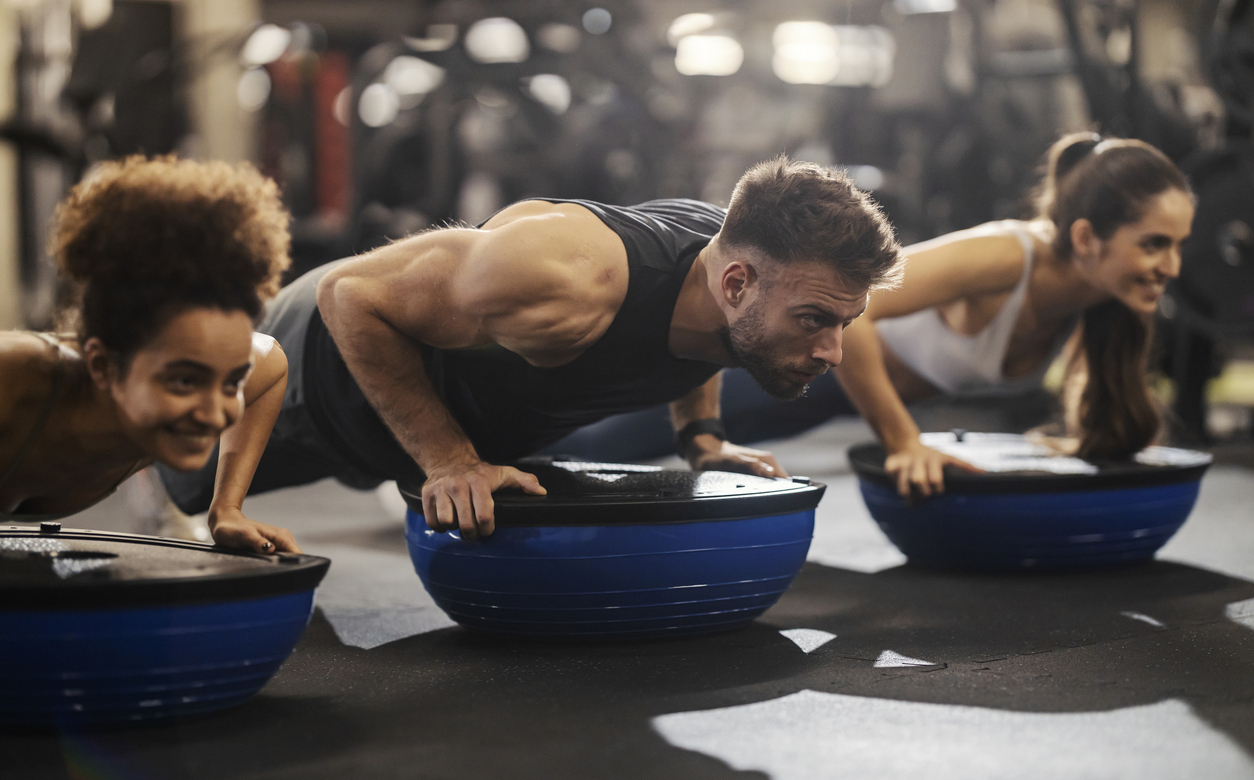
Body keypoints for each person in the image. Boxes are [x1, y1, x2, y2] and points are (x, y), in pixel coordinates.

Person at [161, 157, 904, 540]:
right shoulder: (565, 280)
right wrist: (448, 460)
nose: (835, 350)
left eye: (846, 321)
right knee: (171, 472)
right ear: (737, 282)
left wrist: (700, 436)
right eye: (816, 321)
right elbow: (350, 298)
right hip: (312, 377)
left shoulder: (736, 274)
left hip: (405, 428)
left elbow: (712, 341)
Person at [552, 133, 1195, 497]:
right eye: (1154, 243)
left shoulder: (1101, 305)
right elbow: (851, 311)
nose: (1171, 265)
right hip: (787, 355)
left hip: (826, 396)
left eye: (1179, 244)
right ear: (1086, 238)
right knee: (595, 441)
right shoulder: (1007, 255)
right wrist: (903, 441)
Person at [0, 155, 300, 554]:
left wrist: (226, 508)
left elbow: (271, 362)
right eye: (184, 381)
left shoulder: (209, 385)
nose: (214, 413)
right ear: (103, 367)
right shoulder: (13, 386)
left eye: (231, 383)